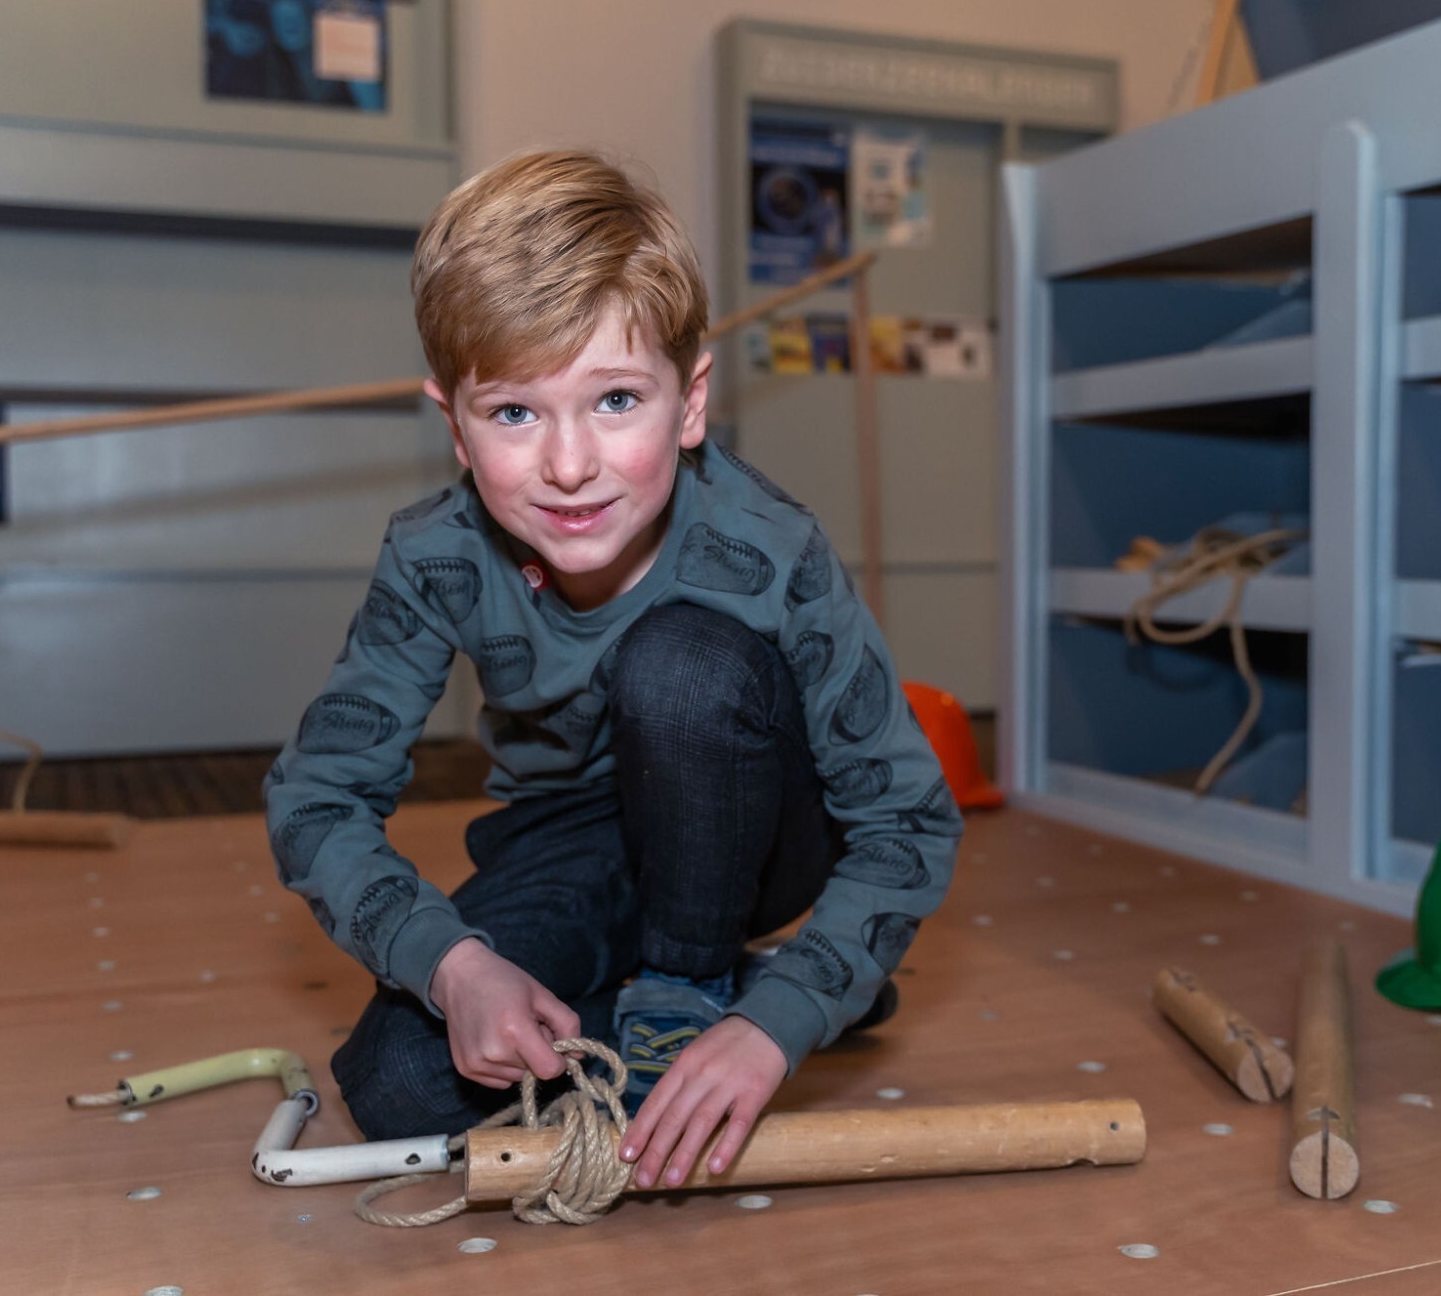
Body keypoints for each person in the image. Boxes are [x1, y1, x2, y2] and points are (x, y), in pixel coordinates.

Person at [263, 149, 961, 1191]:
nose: (568, 464)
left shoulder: (772, 545)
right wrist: (457, 967)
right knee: (400, 1079)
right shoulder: (433, 555)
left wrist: (773, 1031)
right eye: (513, 413)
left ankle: (705, 988)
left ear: (691, 402)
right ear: (454, 424)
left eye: (617, 400)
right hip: (576, 839)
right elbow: (315, 799)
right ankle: (739, 988)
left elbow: (908, 821)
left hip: (755, 819)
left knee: (678, 666)